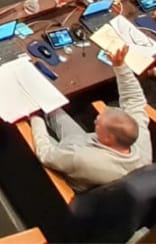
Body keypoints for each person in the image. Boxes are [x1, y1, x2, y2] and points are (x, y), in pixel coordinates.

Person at [30, 45, 152, 191]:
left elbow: (45, 154)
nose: (95, 120)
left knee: (32, 121)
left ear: (109, 138)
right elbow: (134, 100)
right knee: (51, 104)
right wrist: (120, 66)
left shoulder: (81, 158)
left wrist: (35, 116)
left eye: (98, 123)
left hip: (65, 162)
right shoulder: (137, 137)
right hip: (82, 143)